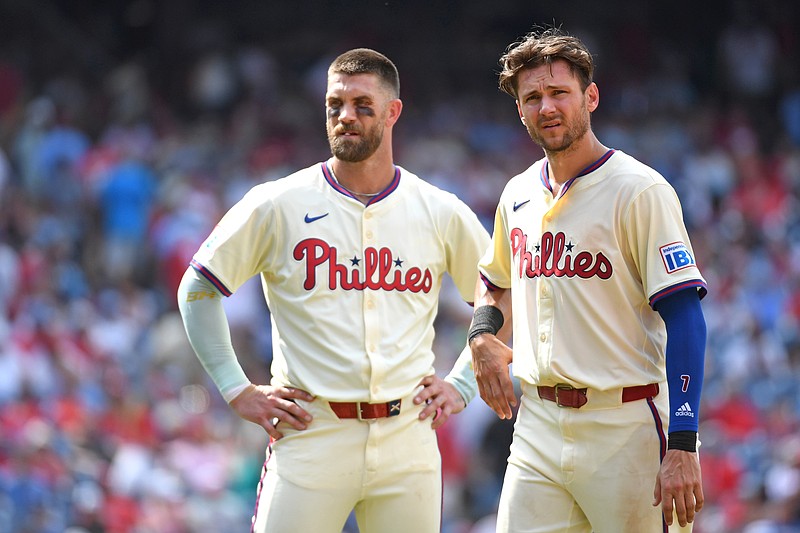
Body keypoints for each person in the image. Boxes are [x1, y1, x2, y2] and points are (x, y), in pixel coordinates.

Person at [177, 48, 489, 533]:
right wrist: (236, 388)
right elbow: (197, 289)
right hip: (311, 433)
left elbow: (500, 297)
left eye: (362, 104)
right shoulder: (278, 202)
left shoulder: (439, 209)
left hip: (408, 437)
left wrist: (463, 383)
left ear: (393, 112)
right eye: (334, 105)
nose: (345, 116)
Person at [468, 27, 708, 532]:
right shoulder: (516, 194)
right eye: (532, 97)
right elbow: (495, 280)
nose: (546, 107)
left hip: (624, 425)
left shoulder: (639, 190)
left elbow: (686, 317)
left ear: (590, 97)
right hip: (536, 427)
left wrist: (683, 443)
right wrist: (483, 334)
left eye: (559, 93)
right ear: (519, 110)